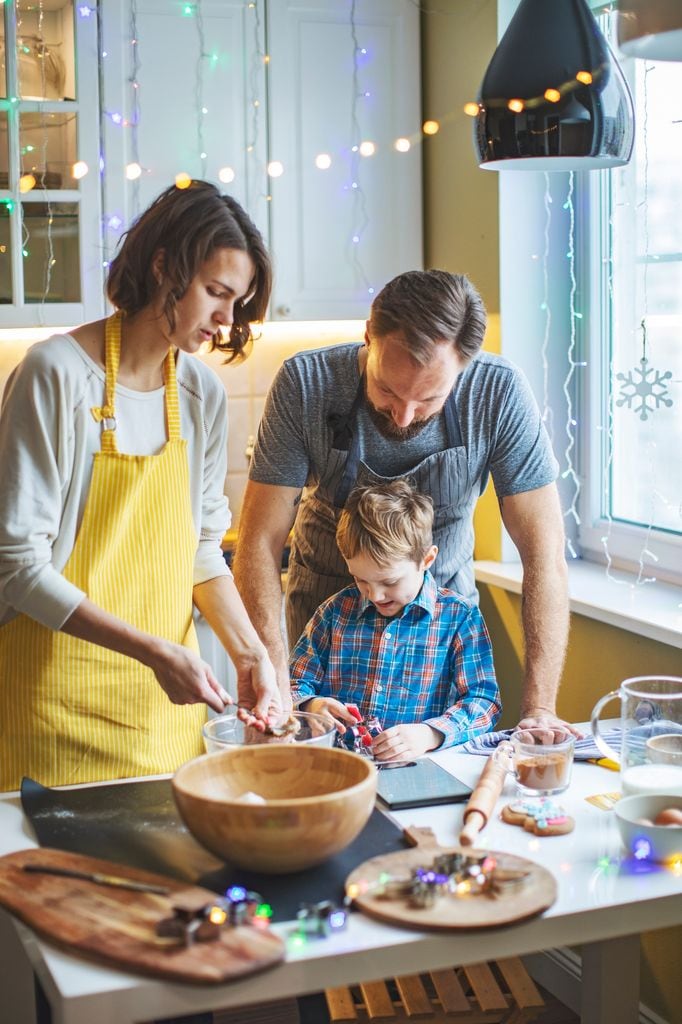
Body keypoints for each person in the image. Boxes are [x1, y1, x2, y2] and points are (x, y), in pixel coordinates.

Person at [0, 180, 281, 791]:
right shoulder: (55, 376)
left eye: (238, 301)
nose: (226, 319)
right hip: (53, 709)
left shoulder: (200, 394)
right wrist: (156, 652)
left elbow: (202, 552)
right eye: (216, 292)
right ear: (163, 266)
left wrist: (251, 653)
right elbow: (18, 568)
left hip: (162, 716)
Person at [233, 269, 573, 734]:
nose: (404, 414)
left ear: (465, 366)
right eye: (388, 389)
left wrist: (539, 709)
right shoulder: (306, 383)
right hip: (323, 618)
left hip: (436, 633)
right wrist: (281, 690)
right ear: (368, 337)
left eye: (430, 399)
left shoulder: (497, 392)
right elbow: (258, 541)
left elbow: (545, 555)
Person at [290, 481, 501, 761]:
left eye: (389, 581)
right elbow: (292, 684)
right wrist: (312, 705)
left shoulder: (460, 618)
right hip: (339, 767)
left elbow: (484, 702)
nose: (375, 594)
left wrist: (430, 734)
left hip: (421, 768)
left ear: (427, 559)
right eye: (360, 579)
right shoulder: (333, 613)